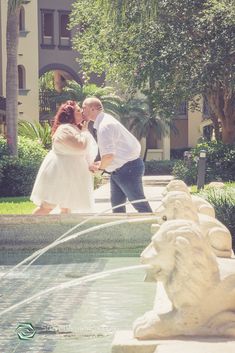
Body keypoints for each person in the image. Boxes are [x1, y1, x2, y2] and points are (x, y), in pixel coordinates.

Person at [82, 97, 152, 213]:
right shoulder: (106, 121)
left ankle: (155, 227)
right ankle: (121, 230)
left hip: (127, 169)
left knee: (138, 203)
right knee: (117, 207)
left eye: (84, 108)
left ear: (93, 108)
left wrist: (100, 168)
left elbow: (109, 156)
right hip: (121, 169)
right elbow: (113, 154)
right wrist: (102, 164)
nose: (82, 110)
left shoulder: (104, 126)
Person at [30, 100, 98, 215]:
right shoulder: (65, 128)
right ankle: (26, 228)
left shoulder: (75, 128)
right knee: (47, 206)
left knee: (66, 208)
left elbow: (83, 151)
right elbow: (80, 146)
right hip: (60, 173)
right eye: (77, 110)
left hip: (69, 174)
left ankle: (62, 229)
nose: (81, 112)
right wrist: (85, 130)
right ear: (69, 115)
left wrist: (90, 164)